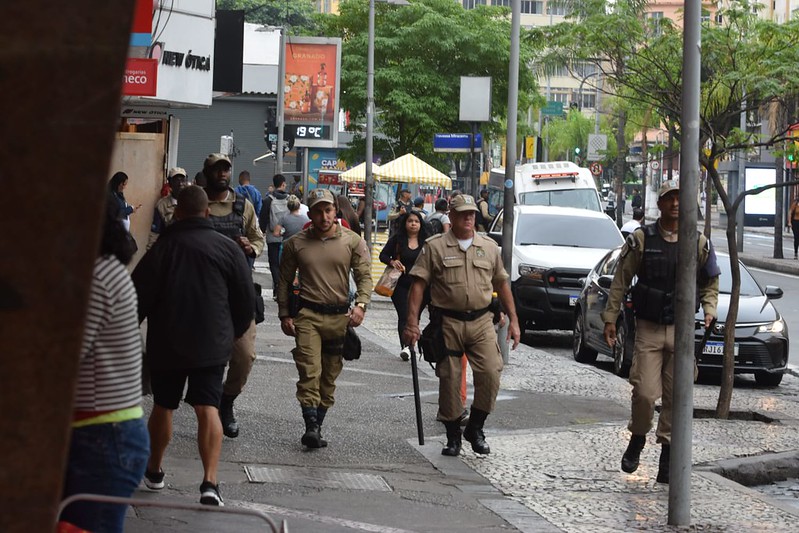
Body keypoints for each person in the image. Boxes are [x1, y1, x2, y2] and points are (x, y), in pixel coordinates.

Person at [132, 185, 255, 506]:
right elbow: (245, 302)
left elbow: (137, 300)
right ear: (206, 212)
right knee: (207, 408)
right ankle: (210, 482)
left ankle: (155, 470)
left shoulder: (161, 249)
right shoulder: (228, 249)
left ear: (177, 212)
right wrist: (231, 333)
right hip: (212, 344)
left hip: (167, 342)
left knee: (164, 406)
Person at [602, 180, 720, 484]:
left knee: (676, 396)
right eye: (670, 198)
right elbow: (620, 279)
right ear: (661, 203)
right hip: (649, 328)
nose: (676, 204)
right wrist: (610, 317)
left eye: (681, 198)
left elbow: (710, 282)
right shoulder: (642, 239)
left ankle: (667, 457)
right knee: (643, 392)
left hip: (682, 331)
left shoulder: (697, 241)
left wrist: (709, 309)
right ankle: (638, 438)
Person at [403, 194, 521, 457]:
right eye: (463, 214)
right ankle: (453, 435)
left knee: (491, 371)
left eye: (472, 214)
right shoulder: (435, 247)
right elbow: (419, 284)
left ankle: (475, 427)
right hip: (447, 322)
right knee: (450, 378)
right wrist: (412, 322)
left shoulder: (489, 247)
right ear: (452, 217)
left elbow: (501, 283)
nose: (469, 217)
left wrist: (513, 320)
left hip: (481, 322)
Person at [60, 193, 149, 533]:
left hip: (103, 437)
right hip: (105, 434)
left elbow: (65, 357)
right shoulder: (106, 267)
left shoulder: (96, 275)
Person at [277, 188, 372, 449]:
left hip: (339, 317)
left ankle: (318, 424)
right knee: (309, 371)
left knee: (329, 376)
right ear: (311, 212)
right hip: (308, 315)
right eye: (318, 211)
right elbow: (284, 280)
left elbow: (364, 276)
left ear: (335, 211)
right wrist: (284, 313)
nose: (323, 216)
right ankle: (310, 426)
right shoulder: (295, 243)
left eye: (328, 210)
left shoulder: (352, 241)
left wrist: (361, 305)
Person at [203, 153, 265, 438]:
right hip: (201, 293)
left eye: (226, 170)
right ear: (207, 172)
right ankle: (206, 407)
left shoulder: (243, 206)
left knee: (244, 356)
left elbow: (258, 239)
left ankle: (226, 402)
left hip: (238, 292)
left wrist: (249, 247)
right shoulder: (196, 203)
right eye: (217, 170)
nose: (223, 174)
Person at [379, 211, 431, 361]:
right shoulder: (397, 239)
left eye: (416, 221)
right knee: (404, 315)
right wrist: (392, 262)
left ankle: (412, 342)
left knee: (415, 316)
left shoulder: (427, 242)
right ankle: (406, 347)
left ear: (421, 224)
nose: (413, 224)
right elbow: (383, 255)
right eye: (410, 221)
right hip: (400, 284)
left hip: (421, 286)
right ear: (405, 223)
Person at [260, 174, 290, 295]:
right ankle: (284, 288)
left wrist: (262, 231)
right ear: (283, 184)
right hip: (287, 237)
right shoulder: (290, 199)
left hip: (272, 237)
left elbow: (263, 218)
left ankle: (277, 285)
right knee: (286, 263)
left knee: (274, 264)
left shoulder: (268, 200)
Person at [147, 167, 187, 250]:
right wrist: (150, 251)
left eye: (182, 180)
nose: (180, 184)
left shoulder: (192, 201)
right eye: (176, 180)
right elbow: (155, 232)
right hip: (171, 249)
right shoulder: (162, 205)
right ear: (170, 183)